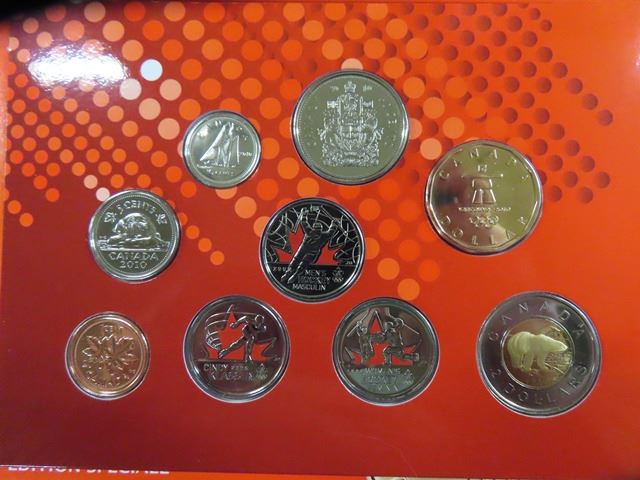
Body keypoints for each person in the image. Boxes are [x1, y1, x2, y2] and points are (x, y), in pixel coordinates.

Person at [281, 208, 337, 284]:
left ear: (313, 227)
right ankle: (295, 275)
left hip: (303, 249)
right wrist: (334, 224)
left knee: (295, 260)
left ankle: (288, 273)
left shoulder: (309, 231)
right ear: (321, 229)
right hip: (313, 252)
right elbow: (331, 232)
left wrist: (304, 214)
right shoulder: (324, 235)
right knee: (303, 264)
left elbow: (304, 222)